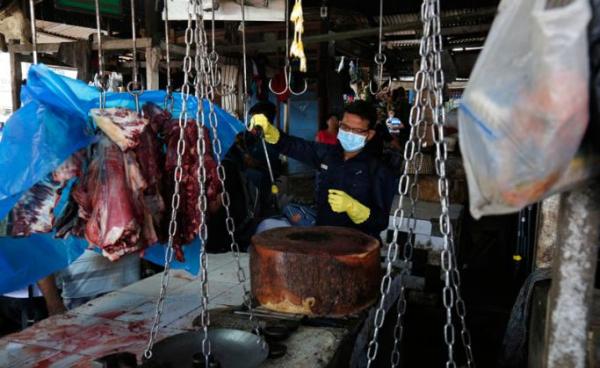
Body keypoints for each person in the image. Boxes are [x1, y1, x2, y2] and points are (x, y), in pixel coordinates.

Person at [250, 100, 396, 239]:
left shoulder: (379, 171)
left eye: (356, 130)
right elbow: (294, 146)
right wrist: (270, 131)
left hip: (357, 246)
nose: (349, 133)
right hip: (323, 236)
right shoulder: (328, 154)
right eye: (345, 127)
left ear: (369, 134)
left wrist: (355, 209)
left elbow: (381, 221)